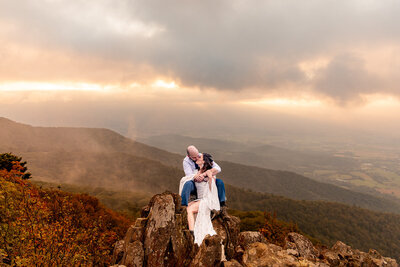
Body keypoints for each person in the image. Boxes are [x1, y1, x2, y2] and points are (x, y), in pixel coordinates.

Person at [183, 153, 220, 245]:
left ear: (203, 161)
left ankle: (192, 233)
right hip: (200, 198)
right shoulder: (198, 171)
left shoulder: (208, 172)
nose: (198, 157)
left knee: (189, 210)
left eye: (200, 157)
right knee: (188, 206)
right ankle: (193, 229)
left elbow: (212, 185)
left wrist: (210, 178)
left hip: (206, 200)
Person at [180, 145, 226, 209]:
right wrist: (197, 177)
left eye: (197, 156)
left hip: (206, 179)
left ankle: (222, 203)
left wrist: (204, 175)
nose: (196, 158)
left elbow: (218, 168)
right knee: (187, 184)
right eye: (194, 157)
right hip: (194, 180)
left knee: (220, 182)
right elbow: (189, 175)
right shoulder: (186, 161)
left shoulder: (203, 157)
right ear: (188, 156)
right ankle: (183, 204)